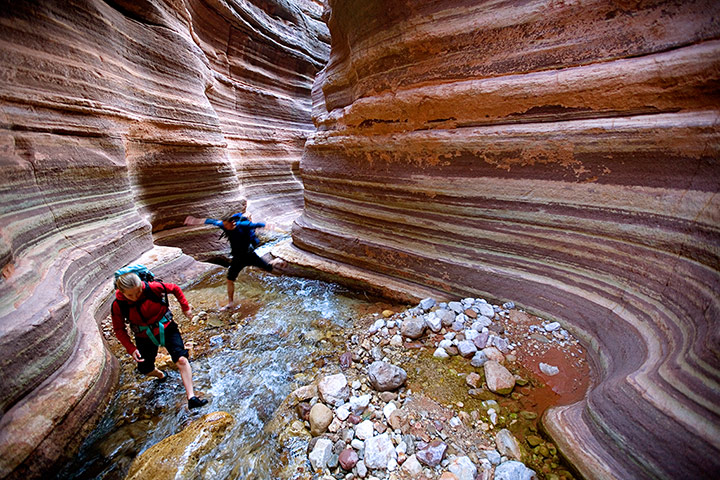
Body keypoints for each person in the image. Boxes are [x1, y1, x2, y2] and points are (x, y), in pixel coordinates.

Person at [111, 272, 208, 409]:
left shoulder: (152, 287)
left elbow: (174, 288)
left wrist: (185, 308)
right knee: (145, 369)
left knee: (181, 359)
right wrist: (131, 348)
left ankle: (191, 398)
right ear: (121, 292)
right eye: (130, 295)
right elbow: (119, 329)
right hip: (143, 337)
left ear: (141, 285)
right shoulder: (118, 304)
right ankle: (161, 375)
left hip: (167, 327)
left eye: (138, 292)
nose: (135, 297)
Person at [184, 211, 285, 309]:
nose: (224, 227)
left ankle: (277, 261)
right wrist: (194, 220)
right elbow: (210, 221)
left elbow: (256, 224)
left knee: (269, 268)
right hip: (237, 258)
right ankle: (230, 303)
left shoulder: (243, 225)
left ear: (232, 223)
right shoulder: (223, 225)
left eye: (226, 224)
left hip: (250, 255)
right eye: (223, 224)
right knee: (229, 279)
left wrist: (268, 225)